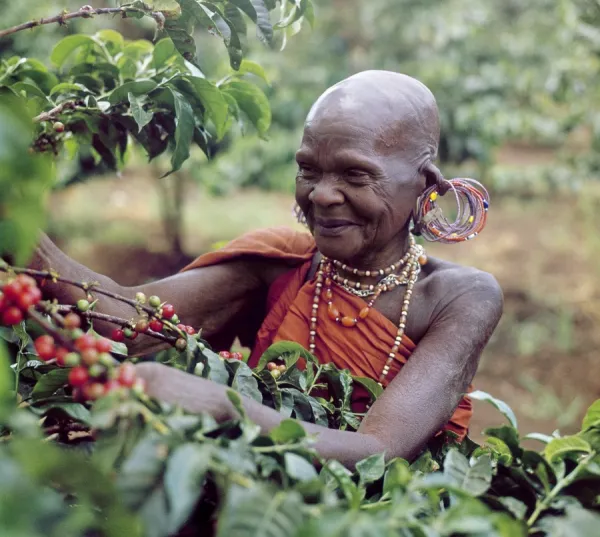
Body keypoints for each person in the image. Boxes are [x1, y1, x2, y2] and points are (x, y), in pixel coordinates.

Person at [31, 70, 503, 468]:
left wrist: (221, 406)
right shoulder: (279, 264)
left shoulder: (460, 298)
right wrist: (27, 241)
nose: (321, 194)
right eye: (308, 170)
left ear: (425, 184)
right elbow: (129, 324)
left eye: (355, 174)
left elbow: (379, 452)